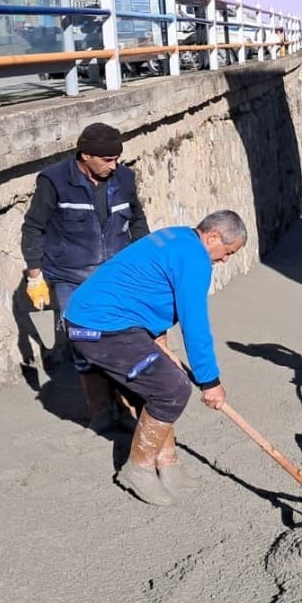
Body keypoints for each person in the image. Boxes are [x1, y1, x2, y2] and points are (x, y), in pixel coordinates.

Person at [64, 210, 246, 506]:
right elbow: (195, 322)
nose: (225, 260)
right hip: (98, 326)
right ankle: (139, 468)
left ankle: (168, 463)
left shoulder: (178, 237)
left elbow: (148, 284)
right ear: (213, 237)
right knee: (171, 389)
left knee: (161, 381)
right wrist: (209, 381)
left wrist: (158, 336)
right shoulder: (196, 259)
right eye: (228, 252)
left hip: (113, 319)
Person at [20, 123, 148, 433]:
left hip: (117, 276)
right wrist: (35, 275)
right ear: (85, 154)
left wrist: (146, 264)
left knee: (123, 342)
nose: (113, 165)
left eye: (117, 158)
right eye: (106, 159)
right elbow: (33, 227)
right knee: (85, 344)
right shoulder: (54, 181)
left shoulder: (124, 178)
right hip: (71, 277)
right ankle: (100, 410)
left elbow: (138, 222)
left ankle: (127, 407)